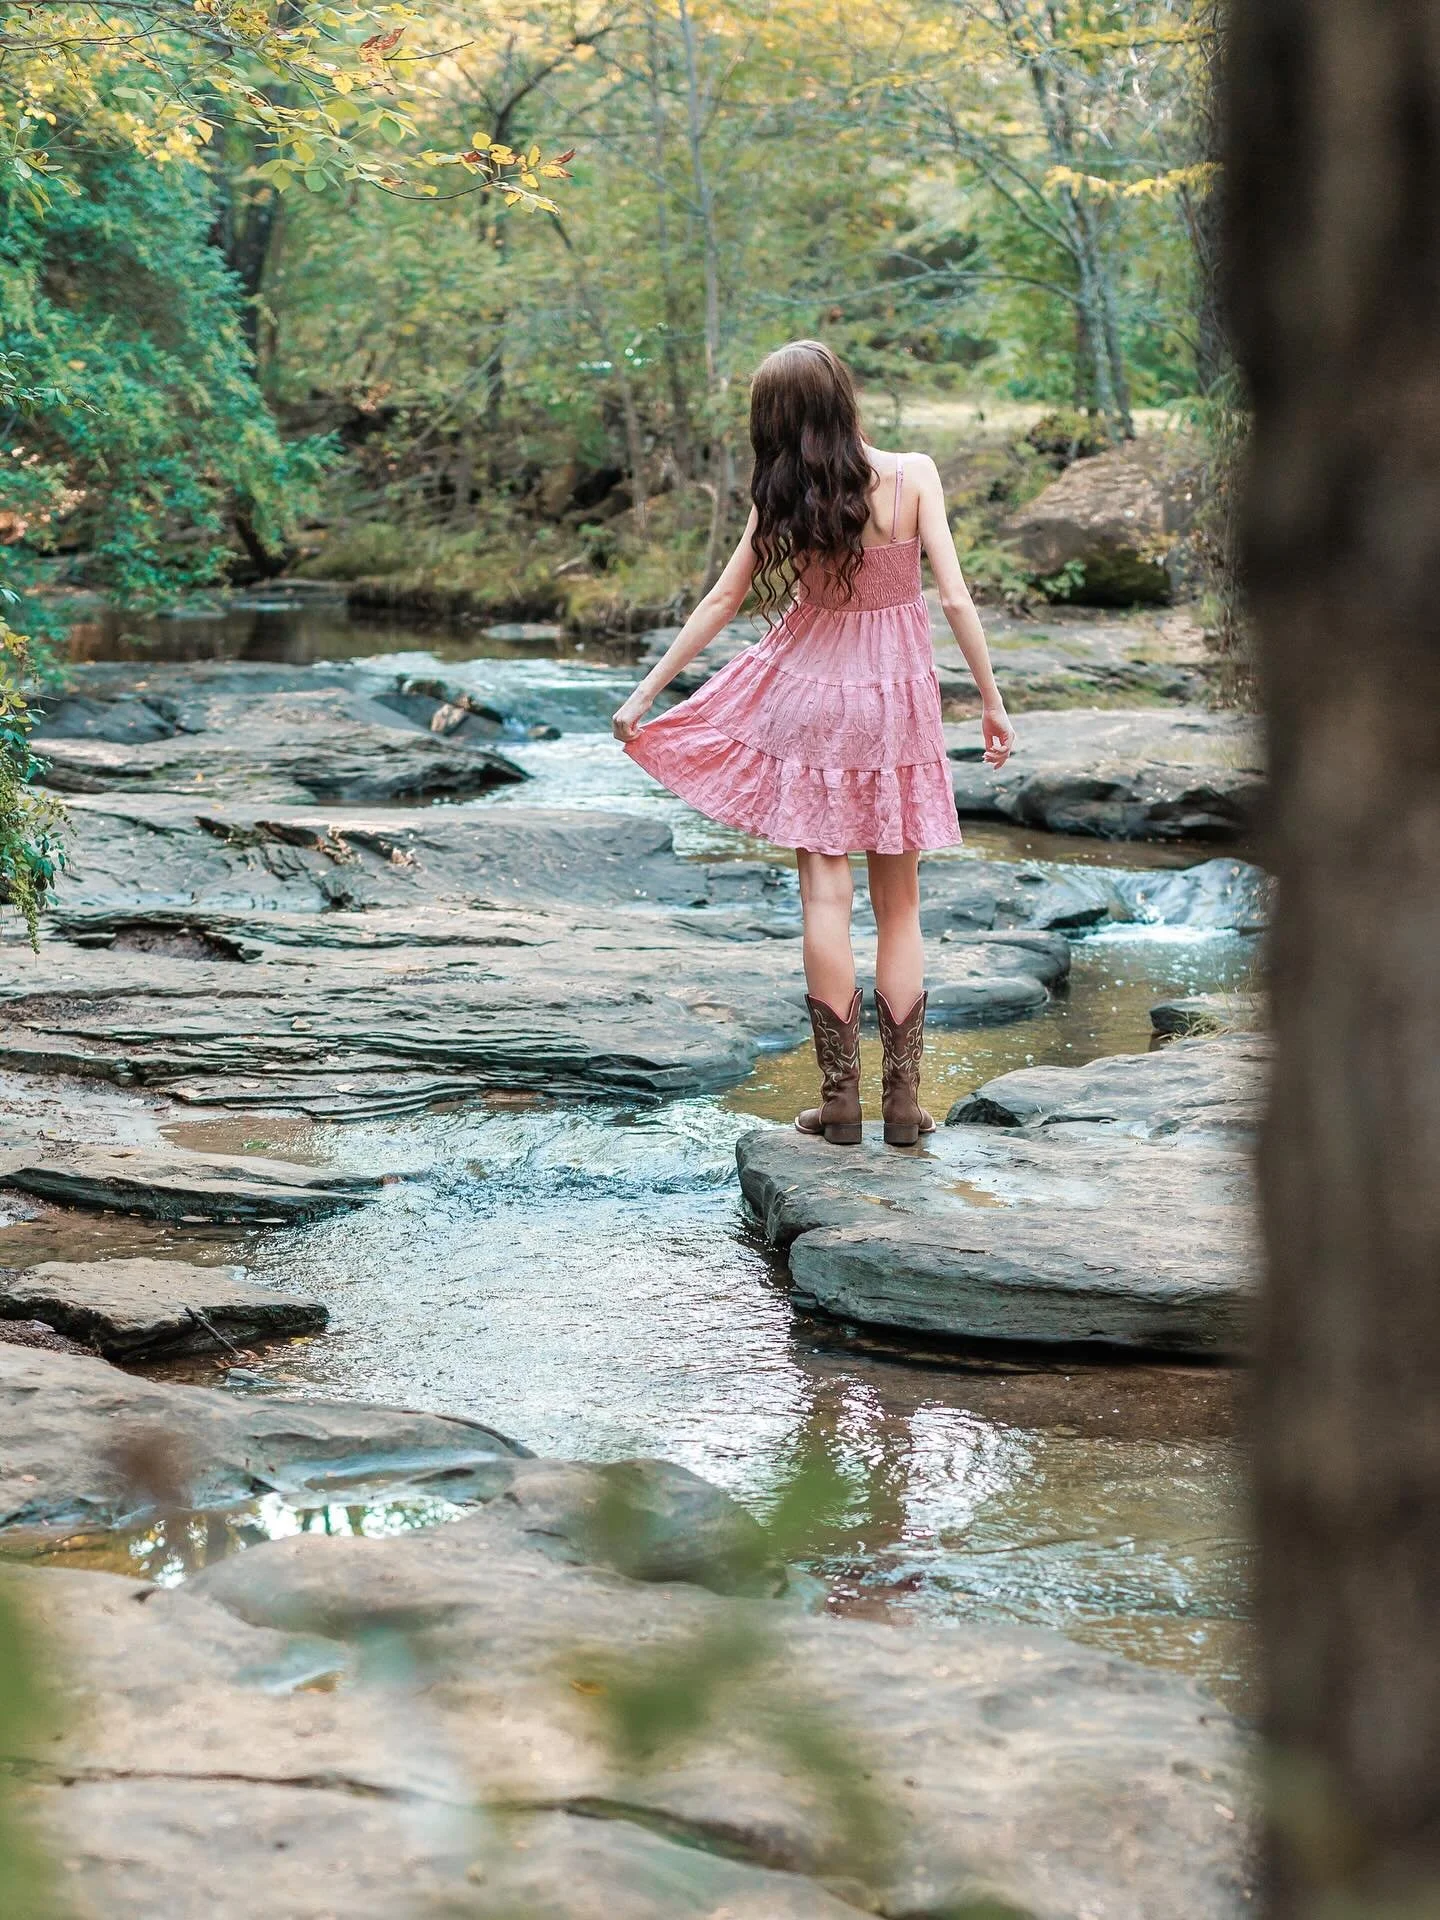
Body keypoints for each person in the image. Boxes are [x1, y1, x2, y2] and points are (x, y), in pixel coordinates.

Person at [612, 340, 1014, 1148]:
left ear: (777, 420)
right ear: (844, 397)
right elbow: (959, 599)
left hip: (812, 705)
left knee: (824, 900)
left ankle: (841, 1103)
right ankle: (904, 1103)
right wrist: (992, 704)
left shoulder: (786, 496)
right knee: (901, 911)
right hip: (898, 705)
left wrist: (645, 694)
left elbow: (725, 598)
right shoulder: (914, 474)